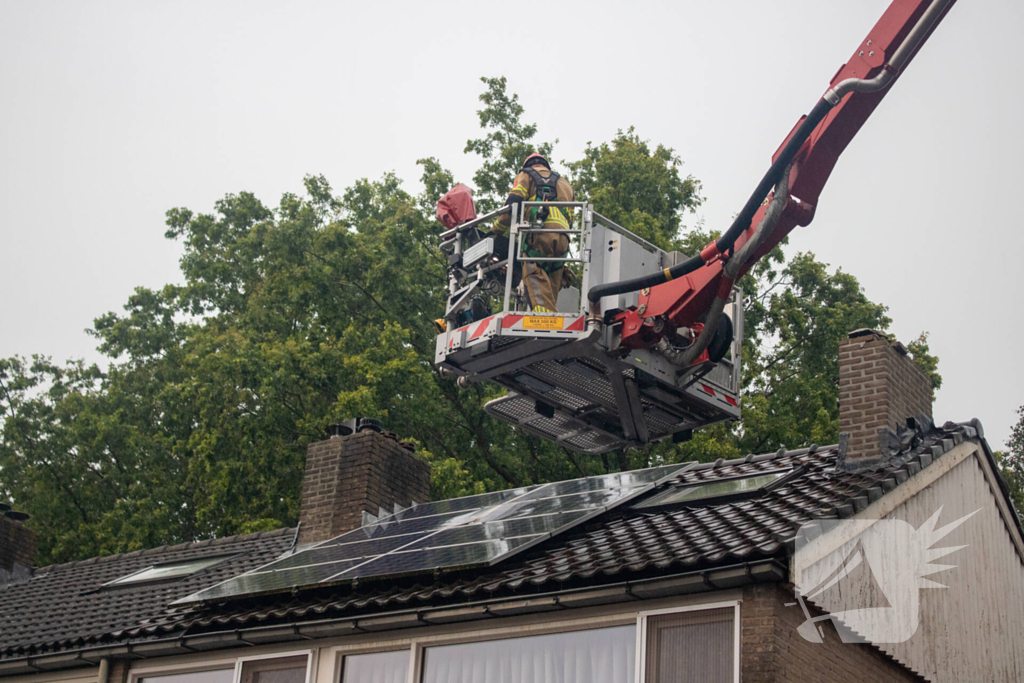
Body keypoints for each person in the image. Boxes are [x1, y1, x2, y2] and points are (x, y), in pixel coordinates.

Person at [492, 153, 575, 312]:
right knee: (550, 293)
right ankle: (550, 319)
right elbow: (571, 218)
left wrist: (495, 232)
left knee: (537, 288)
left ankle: (545, 324)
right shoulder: (565, 183)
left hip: (538, 237)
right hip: (563, 242)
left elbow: (512, 206)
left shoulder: (525, 175)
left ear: (528, 165)